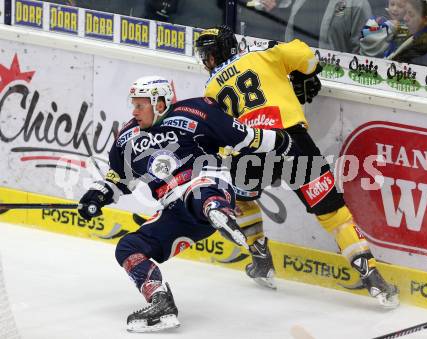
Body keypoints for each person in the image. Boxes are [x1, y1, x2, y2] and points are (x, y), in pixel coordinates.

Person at [194, 25, 400, 308]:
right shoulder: (263, 54)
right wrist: (300, 75)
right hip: (292, 142)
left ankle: (261, 260)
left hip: (250, 150)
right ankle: (373, 279)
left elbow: (220, 136)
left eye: (209, 55)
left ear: (216, 55)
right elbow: (309, 57)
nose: (207, 61)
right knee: (333, 214)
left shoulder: (211, 88)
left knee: (242, 198)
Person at [77, 76, 298, 332]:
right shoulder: (127, 138)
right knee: (128, 247)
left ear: (160, 103)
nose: (134, 111)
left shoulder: (196, 111)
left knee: (197, 192)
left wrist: (281, 141)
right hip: (178, 212)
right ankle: (160, 302)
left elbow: (244, 135)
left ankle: (217, 210)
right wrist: (97, 195)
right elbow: (118, 180)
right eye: (134, 105)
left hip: (208, 180)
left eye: (140, 105)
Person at [284, 0, 372, 54]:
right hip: (295, 76)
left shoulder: (357, 4)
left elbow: (363, 55)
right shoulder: (300, 2)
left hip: (331, 81)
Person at [387, 0, 427, 67]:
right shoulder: (414, 38)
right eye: (405, 13)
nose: (405, 18)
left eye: (411, 14)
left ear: (426, 20)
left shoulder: (424, 49)